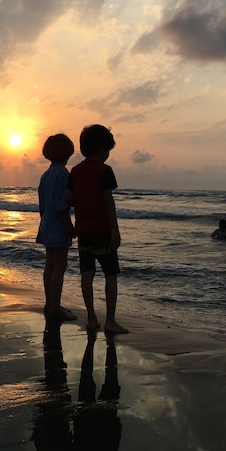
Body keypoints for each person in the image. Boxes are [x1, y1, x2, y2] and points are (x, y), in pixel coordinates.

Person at [66, 124, 128, 334]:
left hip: (83, 231)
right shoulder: (105, 170)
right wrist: (115, 230)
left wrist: (82, 202)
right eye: (108, 150)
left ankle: (91, 318)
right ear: (102, 148)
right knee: (110, 275)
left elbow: (68, 199)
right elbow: (108, 201)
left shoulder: (74, 171)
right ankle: (110, 321)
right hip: (102, 230)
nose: (108, 155)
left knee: (87, 274)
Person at [36, 133, 77, 321]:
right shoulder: (62, 173)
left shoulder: (46, 174)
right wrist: (69, 225)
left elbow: (43, 203)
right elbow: (61, 203)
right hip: (58, 224)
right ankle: (54, 307)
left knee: (50, 265)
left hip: (46, 223)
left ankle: (50, 303)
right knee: (59, 266)